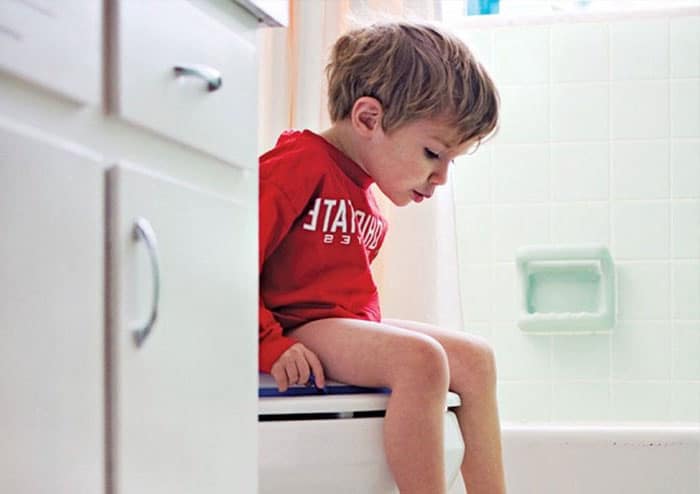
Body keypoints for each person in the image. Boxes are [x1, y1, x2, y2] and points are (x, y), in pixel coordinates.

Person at [258, 20, 505, 494]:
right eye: (434, 153)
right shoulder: (296, 167)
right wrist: (270, 344)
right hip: (296, 326)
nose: (441, 178)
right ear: (368, 118)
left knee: (476, 359)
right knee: (421, 362)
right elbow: (226, 265)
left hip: (333, 324)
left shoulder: (363, 192)